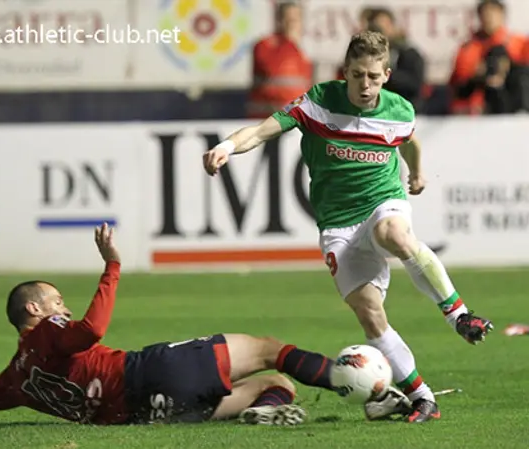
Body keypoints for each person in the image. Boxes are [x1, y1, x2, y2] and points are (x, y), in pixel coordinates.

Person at [202, 31, 493, 424]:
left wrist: (417, 173)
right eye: (357, 75)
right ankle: (422, 397)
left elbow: (409, 142)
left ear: (387, 74)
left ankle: (458, 314)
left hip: (382, 202)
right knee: (370, 314)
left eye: (374, 76)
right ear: (345, 72)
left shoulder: (399, 110)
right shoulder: (318, 102)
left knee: (395, 234)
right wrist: (227, 147)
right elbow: (261, 130)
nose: (365, 85)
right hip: (337, 224)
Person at [0, 222, 408, 426]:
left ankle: (259, 413)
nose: (63, 307)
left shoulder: (13, 378)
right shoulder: (46, 329)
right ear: (34, 310)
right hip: (150, 373)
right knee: (270, 348)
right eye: (56, 300)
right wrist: (112, 266)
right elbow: (91, 331)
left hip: (146, 415)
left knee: (276, 383)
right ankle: (374, 393)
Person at [246, 1, 313, 119]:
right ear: (278, 20)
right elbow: (272, 70)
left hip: (296, 118)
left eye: (295, 19)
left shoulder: (304, 49)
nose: (291, 24)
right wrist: (289, 43)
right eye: (287, 19)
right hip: (266, 117)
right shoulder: (265, 45)